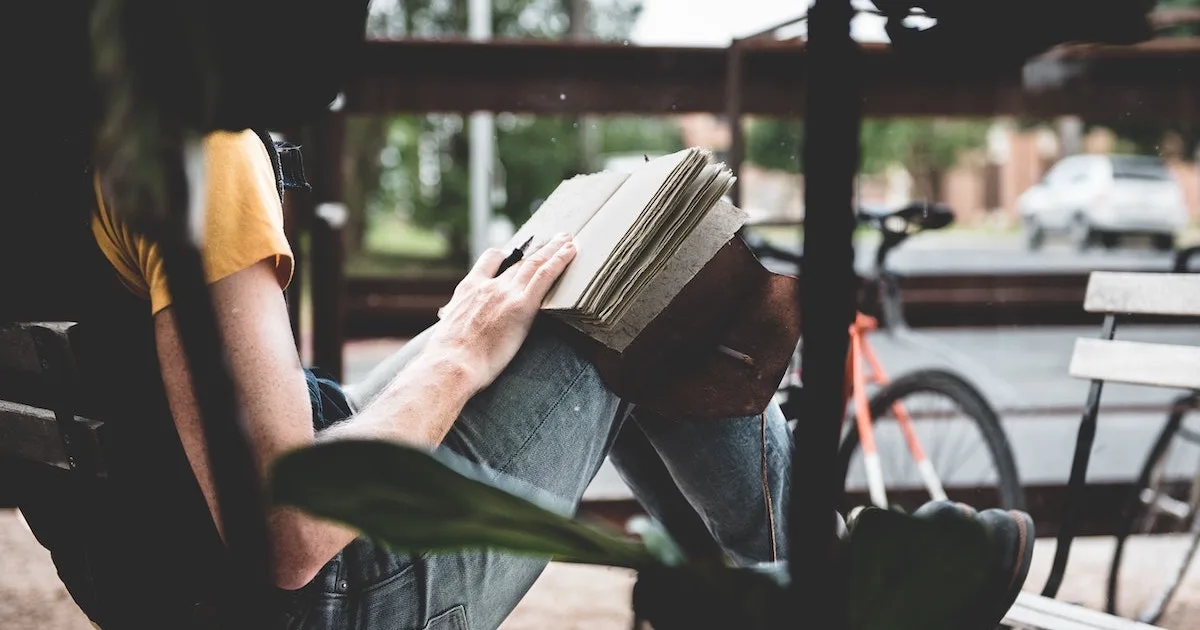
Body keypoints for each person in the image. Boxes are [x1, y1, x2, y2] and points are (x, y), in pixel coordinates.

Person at [71, 129, 792, 629]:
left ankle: (759, 586)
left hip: (163, 588)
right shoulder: (200, 149)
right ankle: (832, 588)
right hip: (334, 601)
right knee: (653, 282)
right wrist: (458, 357)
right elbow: (281, 534)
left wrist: (459, 332)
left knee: (572, 298)